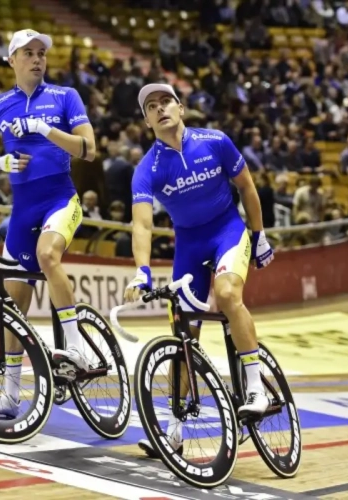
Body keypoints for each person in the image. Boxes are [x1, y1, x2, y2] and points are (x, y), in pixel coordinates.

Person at [124, 83, 275, 457]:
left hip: (228, 232)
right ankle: (174, 430)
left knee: (226, 296)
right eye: (151, 107)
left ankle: (255, 387)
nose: (160, 109)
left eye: (166, 102)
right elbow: (141, 224)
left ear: (181, 108)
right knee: (182, 336)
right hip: (189, 245)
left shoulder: (215, 141)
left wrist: (258, 235)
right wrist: (141, 271)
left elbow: (247, 187)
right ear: (146, 121)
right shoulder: (147, 169)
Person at [0, 29, 96, 417]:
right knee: (12, 307)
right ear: (12, 60)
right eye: (28, 53)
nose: (37, 59)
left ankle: (77, 348)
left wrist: (46, 131)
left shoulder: (64, 96)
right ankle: (10, 395)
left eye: (41, 53)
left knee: (48, 256)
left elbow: (89, 149)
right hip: (22, 209)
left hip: (60, 198)